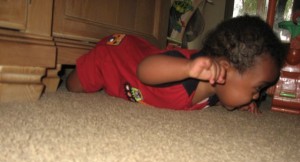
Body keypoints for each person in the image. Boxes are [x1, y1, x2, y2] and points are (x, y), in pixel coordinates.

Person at [66, 15, 286, 113]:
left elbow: (220, 98)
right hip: (115, 58)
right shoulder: (185, 70)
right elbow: (145, 70)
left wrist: (242, 102)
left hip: (133, 67)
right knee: (73, 86)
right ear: (224, 71)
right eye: (257, 88)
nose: (258, 95)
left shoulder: (217, 89)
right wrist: (186, 69)